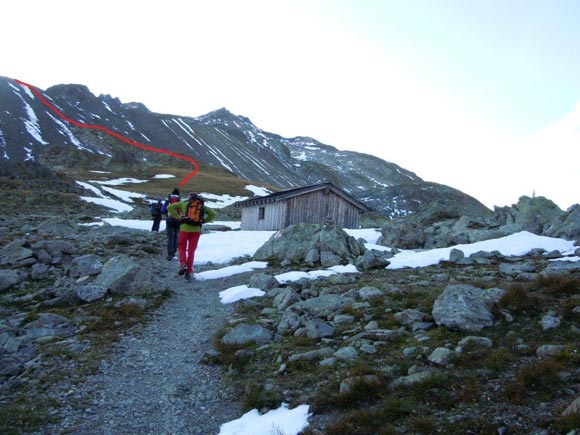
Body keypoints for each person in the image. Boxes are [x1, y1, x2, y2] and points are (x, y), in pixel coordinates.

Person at [167, 192, 216, 281]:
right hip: (196, 230)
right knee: (191, 251)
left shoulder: (183, 203)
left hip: (184, 229)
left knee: (181, 247)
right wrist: (203, 221)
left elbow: (169, 207)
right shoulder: (200, 205)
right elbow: (213, 213)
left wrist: (178, 217)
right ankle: (189, 272)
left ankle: (182, 264)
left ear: (189, 197)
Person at [161, 188, 181, 260]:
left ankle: (170, 253)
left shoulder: (168, 201)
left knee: (170, 238)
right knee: (176, 235)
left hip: (169, 221)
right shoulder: (180, 201)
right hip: (178, 221)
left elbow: (162, 211)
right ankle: (175, 251)